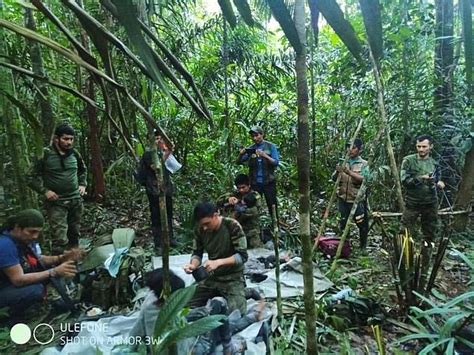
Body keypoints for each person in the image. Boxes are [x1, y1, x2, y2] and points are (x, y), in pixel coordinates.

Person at [0, 209, 82, 319]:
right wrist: (53, 272)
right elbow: (18, 279)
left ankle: (58, 300)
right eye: (32, 231)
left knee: (53, 270)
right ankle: (12, 318)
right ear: (17, 228)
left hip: (12, 282)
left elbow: (37, 260)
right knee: (35, 290)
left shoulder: (24, 239)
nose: (35, 236)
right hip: (5, 287)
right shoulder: (5, 245)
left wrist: (61, 258)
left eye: (38, 232)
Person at [28, 123, 87, 254]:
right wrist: (45, 191)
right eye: (65, 139)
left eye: (71, 139)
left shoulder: (75, 154)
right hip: (57, 202)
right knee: (60, 238)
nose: (69, 142)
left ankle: (73, 265)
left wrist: (82, 184)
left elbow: (83, 170)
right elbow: (30, 177)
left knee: (75, 234)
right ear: (56, 139)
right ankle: (59, 268)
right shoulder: (45, 154)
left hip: (75, 200)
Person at [183, 202, 248, 315]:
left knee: (237, 313)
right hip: (212, 277)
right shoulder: (200, 229)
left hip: (232, 278)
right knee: (184, 304)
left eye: (207, 223)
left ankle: (247, 292)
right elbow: (197, 253)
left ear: (216, 214)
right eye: (202, 224)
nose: (204, 227)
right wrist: (193, 265)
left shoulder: (232, 225)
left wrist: (218, 262)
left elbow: (242, 256)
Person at [135, 131, 177, 250]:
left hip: (166, 188)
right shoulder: (149, 154)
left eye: (160, 138)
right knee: (156, 216)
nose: (159, 140)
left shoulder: (162, 152)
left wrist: (168, 151)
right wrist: (167, 152)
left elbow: (170, 168)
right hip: (154, 190)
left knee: (168, 214)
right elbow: (156, 167)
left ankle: (170, 238)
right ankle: (158, 242)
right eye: (156, 138)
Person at [400, 134, 445, 242]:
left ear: (431, 147)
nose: (421, 149)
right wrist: (420, 178)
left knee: (430, 233)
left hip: (430, 202)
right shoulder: (408, 161)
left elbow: (437, 179)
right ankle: (403, 256)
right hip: (413, 202)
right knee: (404, 231)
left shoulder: (434, 163)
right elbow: (404, 181)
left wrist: (439, 183)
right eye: (418, 146)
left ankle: (426, 256)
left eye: (424, 146)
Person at [236, 126, 280, 222]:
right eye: (253, 136)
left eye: (256, 135)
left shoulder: (270, 146)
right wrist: (241, 154)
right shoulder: (250, 149)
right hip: (255, 183)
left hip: (269, 182)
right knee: (253, 205)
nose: (254, 138)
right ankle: (255, 227)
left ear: (262, 134)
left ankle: (276, 226)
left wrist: (265, 156)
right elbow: (238, 162)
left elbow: (276, 162)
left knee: (272, 205)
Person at [333, 138, 369, 249]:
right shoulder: (343, 162)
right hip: (343, 199)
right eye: (348, 147)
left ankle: (363, 247)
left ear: (359, 150)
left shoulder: (364, 164)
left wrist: (348, 172)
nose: (350, 150)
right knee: (343, 224)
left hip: (356, 199)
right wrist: (337, 172)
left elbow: (364, 179)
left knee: (361, 224)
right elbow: (334, 178)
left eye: (353, 147)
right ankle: (345, 248)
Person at [218, 174, 263, 248]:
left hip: (251, 232)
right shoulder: (235, 194)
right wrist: (228, 199)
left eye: (243, 187)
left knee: (256, 253)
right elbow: (219, 201)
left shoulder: (255, 195)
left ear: (249, 185)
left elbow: (254, 211)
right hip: (237, 232)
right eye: (239, 188)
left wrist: (239, 207)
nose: (241, 190)